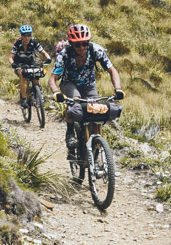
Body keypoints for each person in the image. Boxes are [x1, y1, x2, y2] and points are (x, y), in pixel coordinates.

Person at [48, 23, 123, 159]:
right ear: (71, 44)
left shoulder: (96, 50)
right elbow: (53, 78)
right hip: (69, 83)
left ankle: (96, 146)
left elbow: (112, 70)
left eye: (84, 43)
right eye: (77, 45)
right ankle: (70, 132)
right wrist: (55, 92)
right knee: (75, 100)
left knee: (96, 110)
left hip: (89, 85)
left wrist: (118, 89)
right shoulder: (64, 55)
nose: (81, 47)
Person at [11, 25, 50, 108]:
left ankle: (37, 95)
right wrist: (12, 63)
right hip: (19, 63)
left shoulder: (33, 42)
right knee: (23, 76)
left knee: (35, 76)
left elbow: (43, 52)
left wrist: (48, 58)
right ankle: (23, 100)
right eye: (25, 36)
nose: (27, 38)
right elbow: (10, 57)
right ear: (22, 36)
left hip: (30, 62)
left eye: (29, 35)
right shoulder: (18, 44)